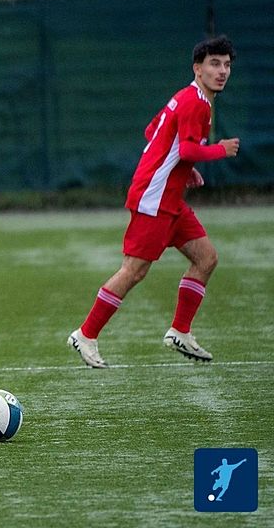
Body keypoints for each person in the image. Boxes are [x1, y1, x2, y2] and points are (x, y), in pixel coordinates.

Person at [68, 35, 240, 368]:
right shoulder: (196, 103)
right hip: (154, 198)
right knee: (134, 270)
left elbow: (154, 132)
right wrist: (221, 149)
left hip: (171, 198)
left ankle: (180, 331)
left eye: (227, 65)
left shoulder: (190, 98)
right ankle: (85, 334)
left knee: (206, 258)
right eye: (214, 64)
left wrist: (183, 170)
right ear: (198, 68)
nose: (222, 71)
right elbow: (188, 148)